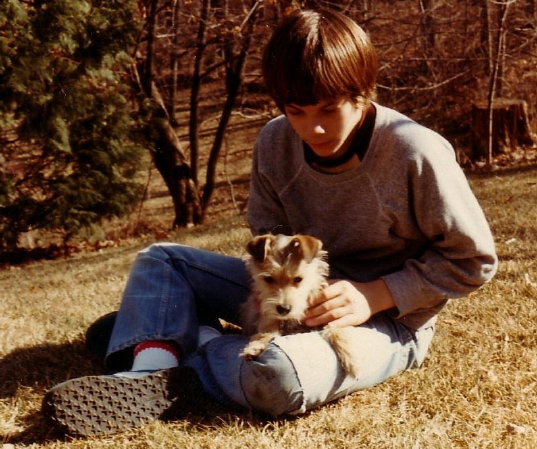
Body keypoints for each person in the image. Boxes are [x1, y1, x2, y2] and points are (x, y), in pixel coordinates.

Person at [42, 8, 498, 437]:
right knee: (163, 261)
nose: (311, 129)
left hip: (388, 324)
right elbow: (266, 237)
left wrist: (376, 294)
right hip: (291, 295)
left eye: (327, 110)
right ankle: (145, 374)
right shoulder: (274, 142)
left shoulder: (414, 151)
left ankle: (169, 341)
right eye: (295, 111)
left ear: (363, 93)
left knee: (279, 374)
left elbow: (472, 260)